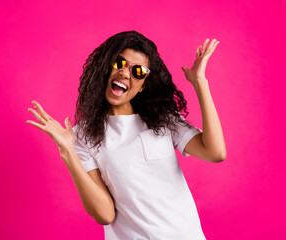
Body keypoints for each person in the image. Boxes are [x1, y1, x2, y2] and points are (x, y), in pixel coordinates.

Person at [26, 30, 226, 240]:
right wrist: (67, 150)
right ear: (105, 68)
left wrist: (200, 82)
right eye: (119, 63)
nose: (125, 73)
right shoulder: (83, 136)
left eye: (137, 71)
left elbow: (215, 152)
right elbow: (105, 214)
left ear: (142, 86)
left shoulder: (162, 119)